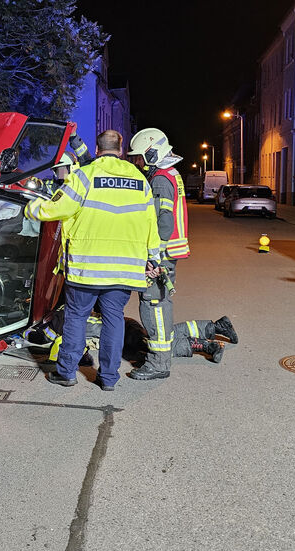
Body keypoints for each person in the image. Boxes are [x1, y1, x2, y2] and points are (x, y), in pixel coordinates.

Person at [24, 129, 160, 391]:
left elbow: (57, 208)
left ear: (97, 150)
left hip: (87, 267)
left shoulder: (84, 176)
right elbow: (150, 223)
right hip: (124, 269)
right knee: (114, 320)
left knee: (76, 317)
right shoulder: (139, 179)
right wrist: (153, 256)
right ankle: (108, 378)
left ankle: (67, 373)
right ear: (121, 151)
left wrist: (30, 208)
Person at [125, 128, 236, 380]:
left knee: (153, 308)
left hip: (160, 256)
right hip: (167, 254)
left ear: (152, 154)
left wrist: (152, 257)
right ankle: (211, 329)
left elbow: (162, 224)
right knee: (160, 306)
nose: (137, 163)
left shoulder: (161, 179)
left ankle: (159, 363)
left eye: (140, 157)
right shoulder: (170, 175)